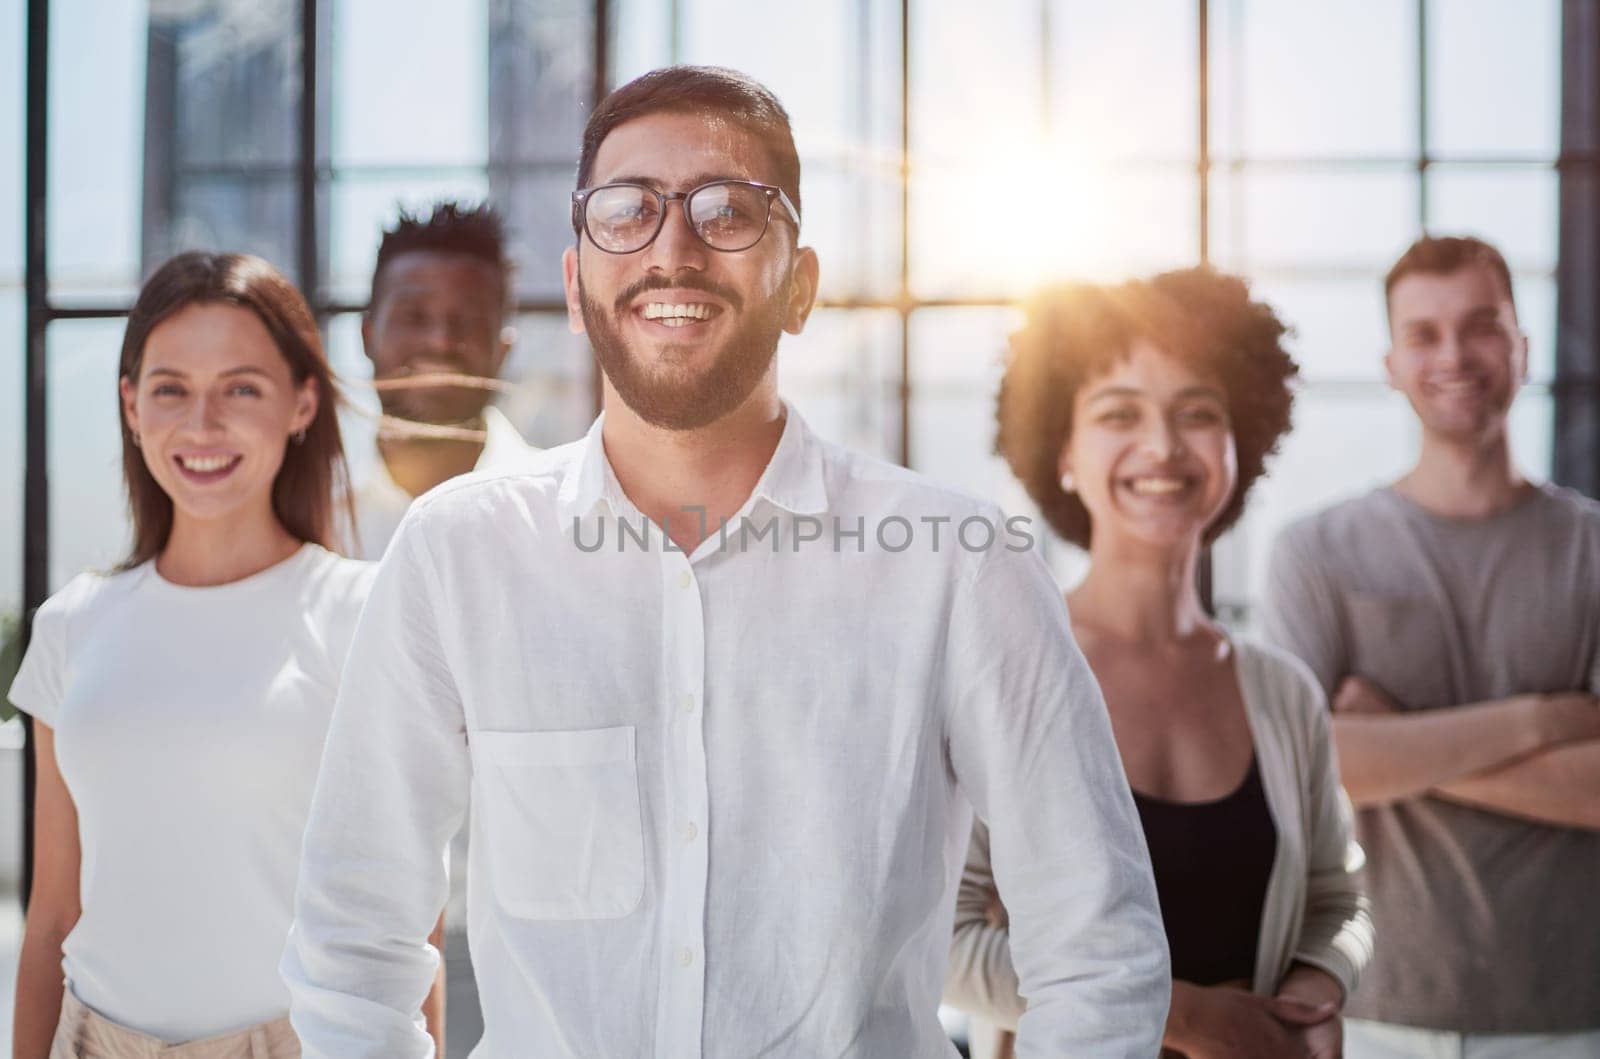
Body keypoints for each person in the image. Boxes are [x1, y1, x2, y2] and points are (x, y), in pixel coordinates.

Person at [282, 65, 1169, 1057]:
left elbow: (1097, 951)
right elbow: (355, 937)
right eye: (627, 212)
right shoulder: (457, 554)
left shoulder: (957, 568)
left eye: (728, 211)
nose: (673, 248)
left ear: (799, 288)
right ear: (577, 289)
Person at [947, 270, 1373, 1059]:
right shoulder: (1005, 665)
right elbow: (945, 937)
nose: (1164, 446)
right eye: (1120, 413)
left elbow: (1337, 899)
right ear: (1063, 450)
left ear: (1239, 439)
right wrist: (1190, 1017)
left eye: (1197, 412)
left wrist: (1311, 1006)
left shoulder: (1281, 692)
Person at [6, 252, 399, 1057]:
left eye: (241, 388)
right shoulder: (71, 626)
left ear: (302, 402)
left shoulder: (363, 615)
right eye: (171, 388)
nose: (202, 424)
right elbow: (50, 915)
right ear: (131, 406)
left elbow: (399, 919)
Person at [1265, 234, 1600, 1057]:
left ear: (1521, 345)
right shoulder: (1316, 551)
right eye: (1423, 333)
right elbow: (1310, 766)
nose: (1453, 354)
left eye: (1480, 325)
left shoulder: (1593, 549)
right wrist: (1540, 720)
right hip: (1378, 1013)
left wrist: (1394, 734)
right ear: (1390, 361)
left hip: (1569, 1016)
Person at [352, 200, 541, 559]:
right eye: (413, 317)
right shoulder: (304, 515)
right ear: (366, 336)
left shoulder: (558, 510)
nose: (440, 342)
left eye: (468, 321)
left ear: (503, 350)